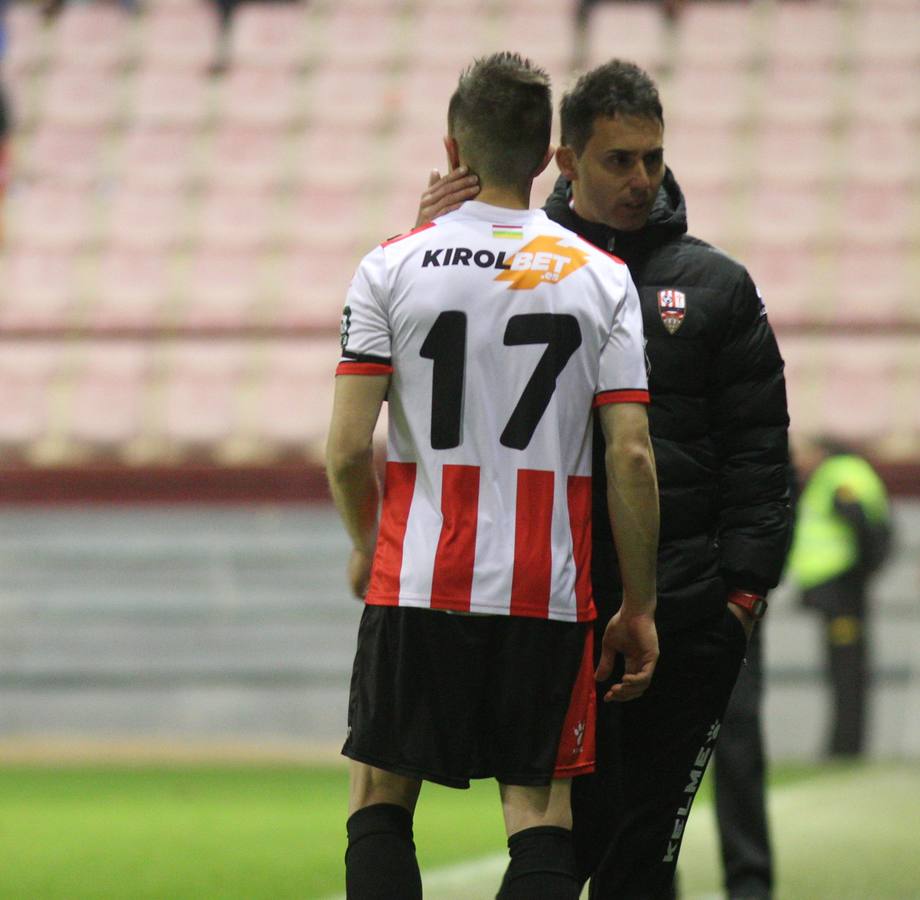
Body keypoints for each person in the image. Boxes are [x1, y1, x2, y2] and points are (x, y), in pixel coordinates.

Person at [417, 58, 791, 898]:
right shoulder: (519, 271)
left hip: (685, 616)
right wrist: (435, 238)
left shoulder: (717, 287)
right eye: (619, 159)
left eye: (653, 158)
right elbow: (435, 365)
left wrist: (739, 601)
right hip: (558, 609)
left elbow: (762, 454)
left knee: (642, 855)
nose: (641, 179)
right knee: (560, 847)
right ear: (565, 161)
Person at [326, 52, 661, 900]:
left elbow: (341, 452)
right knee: (542, 815)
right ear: (549, 153)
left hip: (419, 578)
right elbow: (630, 453)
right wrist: (640, 606)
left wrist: (369, 547)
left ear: (453, 149)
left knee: (379, 798)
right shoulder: (603, 278)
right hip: (544, 592)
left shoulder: (391, 265)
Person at [787, 436, 892, 758]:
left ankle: (845, 747)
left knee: (846, 669)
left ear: (821, 452)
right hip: (841, 589)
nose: (801, 462)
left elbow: (860, 522)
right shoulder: (849, 472)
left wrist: (858, 575)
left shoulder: (837, 474)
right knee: (845, 667)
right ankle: (843, 745)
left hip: (841, 589)